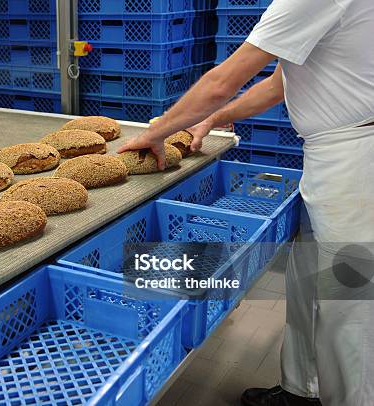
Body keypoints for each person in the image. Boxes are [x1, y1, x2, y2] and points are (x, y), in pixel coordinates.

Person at [117, 0, 374, 405]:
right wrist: (212, 119)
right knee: (308, 280)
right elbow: (280, 85)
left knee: (349, 301)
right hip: (333, 150)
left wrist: (160, 130)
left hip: (356, 158)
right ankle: (301, 391)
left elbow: (224, 80)